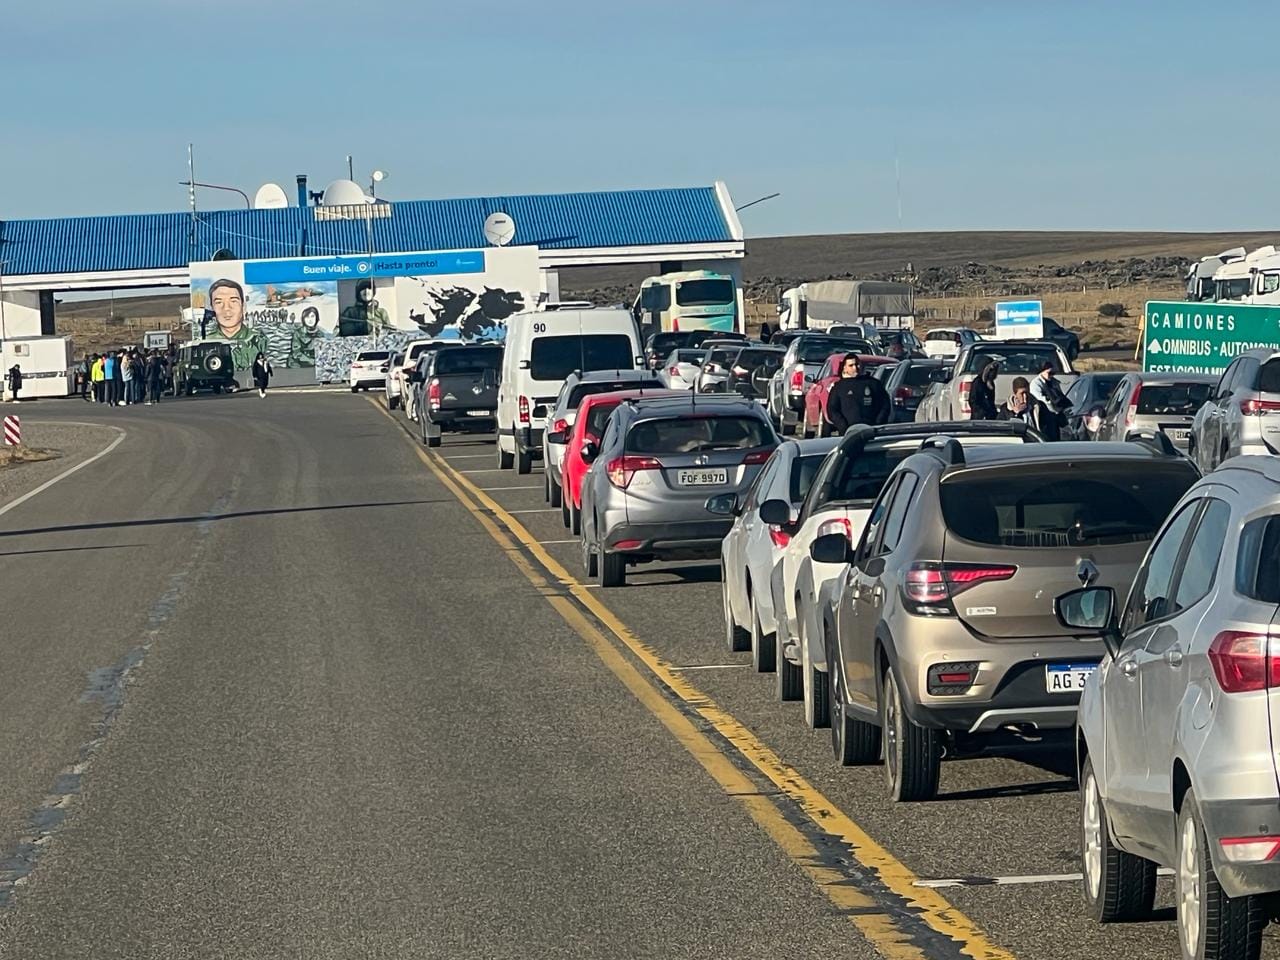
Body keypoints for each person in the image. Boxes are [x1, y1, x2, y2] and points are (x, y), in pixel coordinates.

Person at [205, 277, 268, 372]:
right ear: (212, 308)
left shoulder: (259, 340)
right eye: (219, 302)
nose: (226, 308)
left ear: (243, 306)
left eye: (233, 301)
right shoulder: (206, 342)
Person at [825, 354, 890, 435]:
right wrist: (843, 426)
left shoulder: (873, 383)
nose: (855, 368)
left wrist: (878, 423)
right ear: (845, 368)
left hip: (872, 431)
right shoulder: (839, 386)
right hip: (848, 433)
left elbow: (885, 405)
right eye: (851, 365)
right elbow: (832, 409)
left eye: (857, 364)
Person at [1029, 361, 1069, 441]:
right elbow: (1041, 401)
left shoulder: (1054, 382)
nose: (1051, 375)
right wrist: (1055, 408)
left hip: (1056, 416)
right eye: (1049, 373)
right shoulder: (1036, 384)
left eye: (1053, 373)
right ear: (1042, 371)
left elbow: (1060, 395)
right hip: (1044, 416)